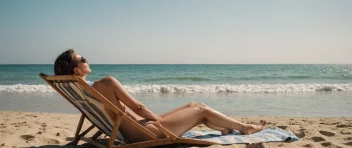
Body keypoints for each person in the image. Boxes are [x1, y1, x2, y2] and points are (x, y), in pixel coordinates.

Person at [54, 49, 266, 143]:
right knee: (201, 111)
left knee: (194, 103)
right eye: (83, 58)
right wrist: (160, 122)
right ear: (76, 70)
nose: (87, 59)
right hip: (145, 133)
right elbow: (138, 108)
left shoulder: (86, 90)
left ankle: (226, 127)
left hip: (131, 131)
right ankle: (244, 128)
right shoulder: (105, 83)